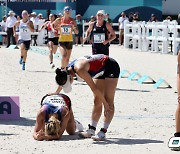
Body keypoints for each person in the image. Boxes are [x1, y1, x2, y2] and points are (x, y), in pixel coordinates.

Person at [52, 54, 120, 141]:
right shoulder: (66, 71)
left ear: (69, 78)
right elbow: (64, 81)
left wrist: (105, 104)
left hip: (110, 66)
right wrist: (56, 92)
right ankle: (91, 129)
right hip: (100, 69)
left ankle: (103, 131)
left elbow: (94, 88)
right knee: (97, 101)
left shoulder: (79, 69)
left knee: (108, 100)